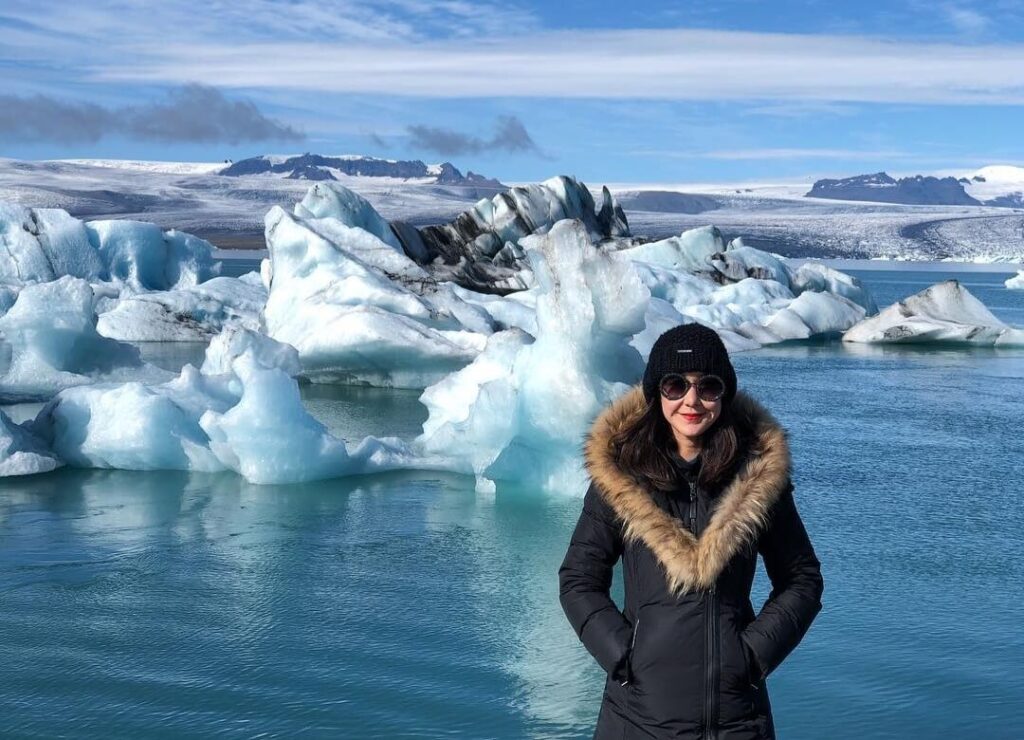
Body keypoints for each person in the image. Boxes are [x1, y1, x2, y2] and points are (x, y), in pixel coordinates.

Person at [558, 323, 824, 740]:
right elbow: (578, 579)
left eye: (708, 386)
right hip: (637, 718)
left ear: (726, 392)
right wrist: (623, 654)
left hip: (736, 720)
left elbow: (802, 580)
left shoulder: (756, 477)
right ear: (655, 392)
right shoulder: (622, 475)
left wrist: (753, 655)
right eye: (675, 385)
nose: (691, 401)